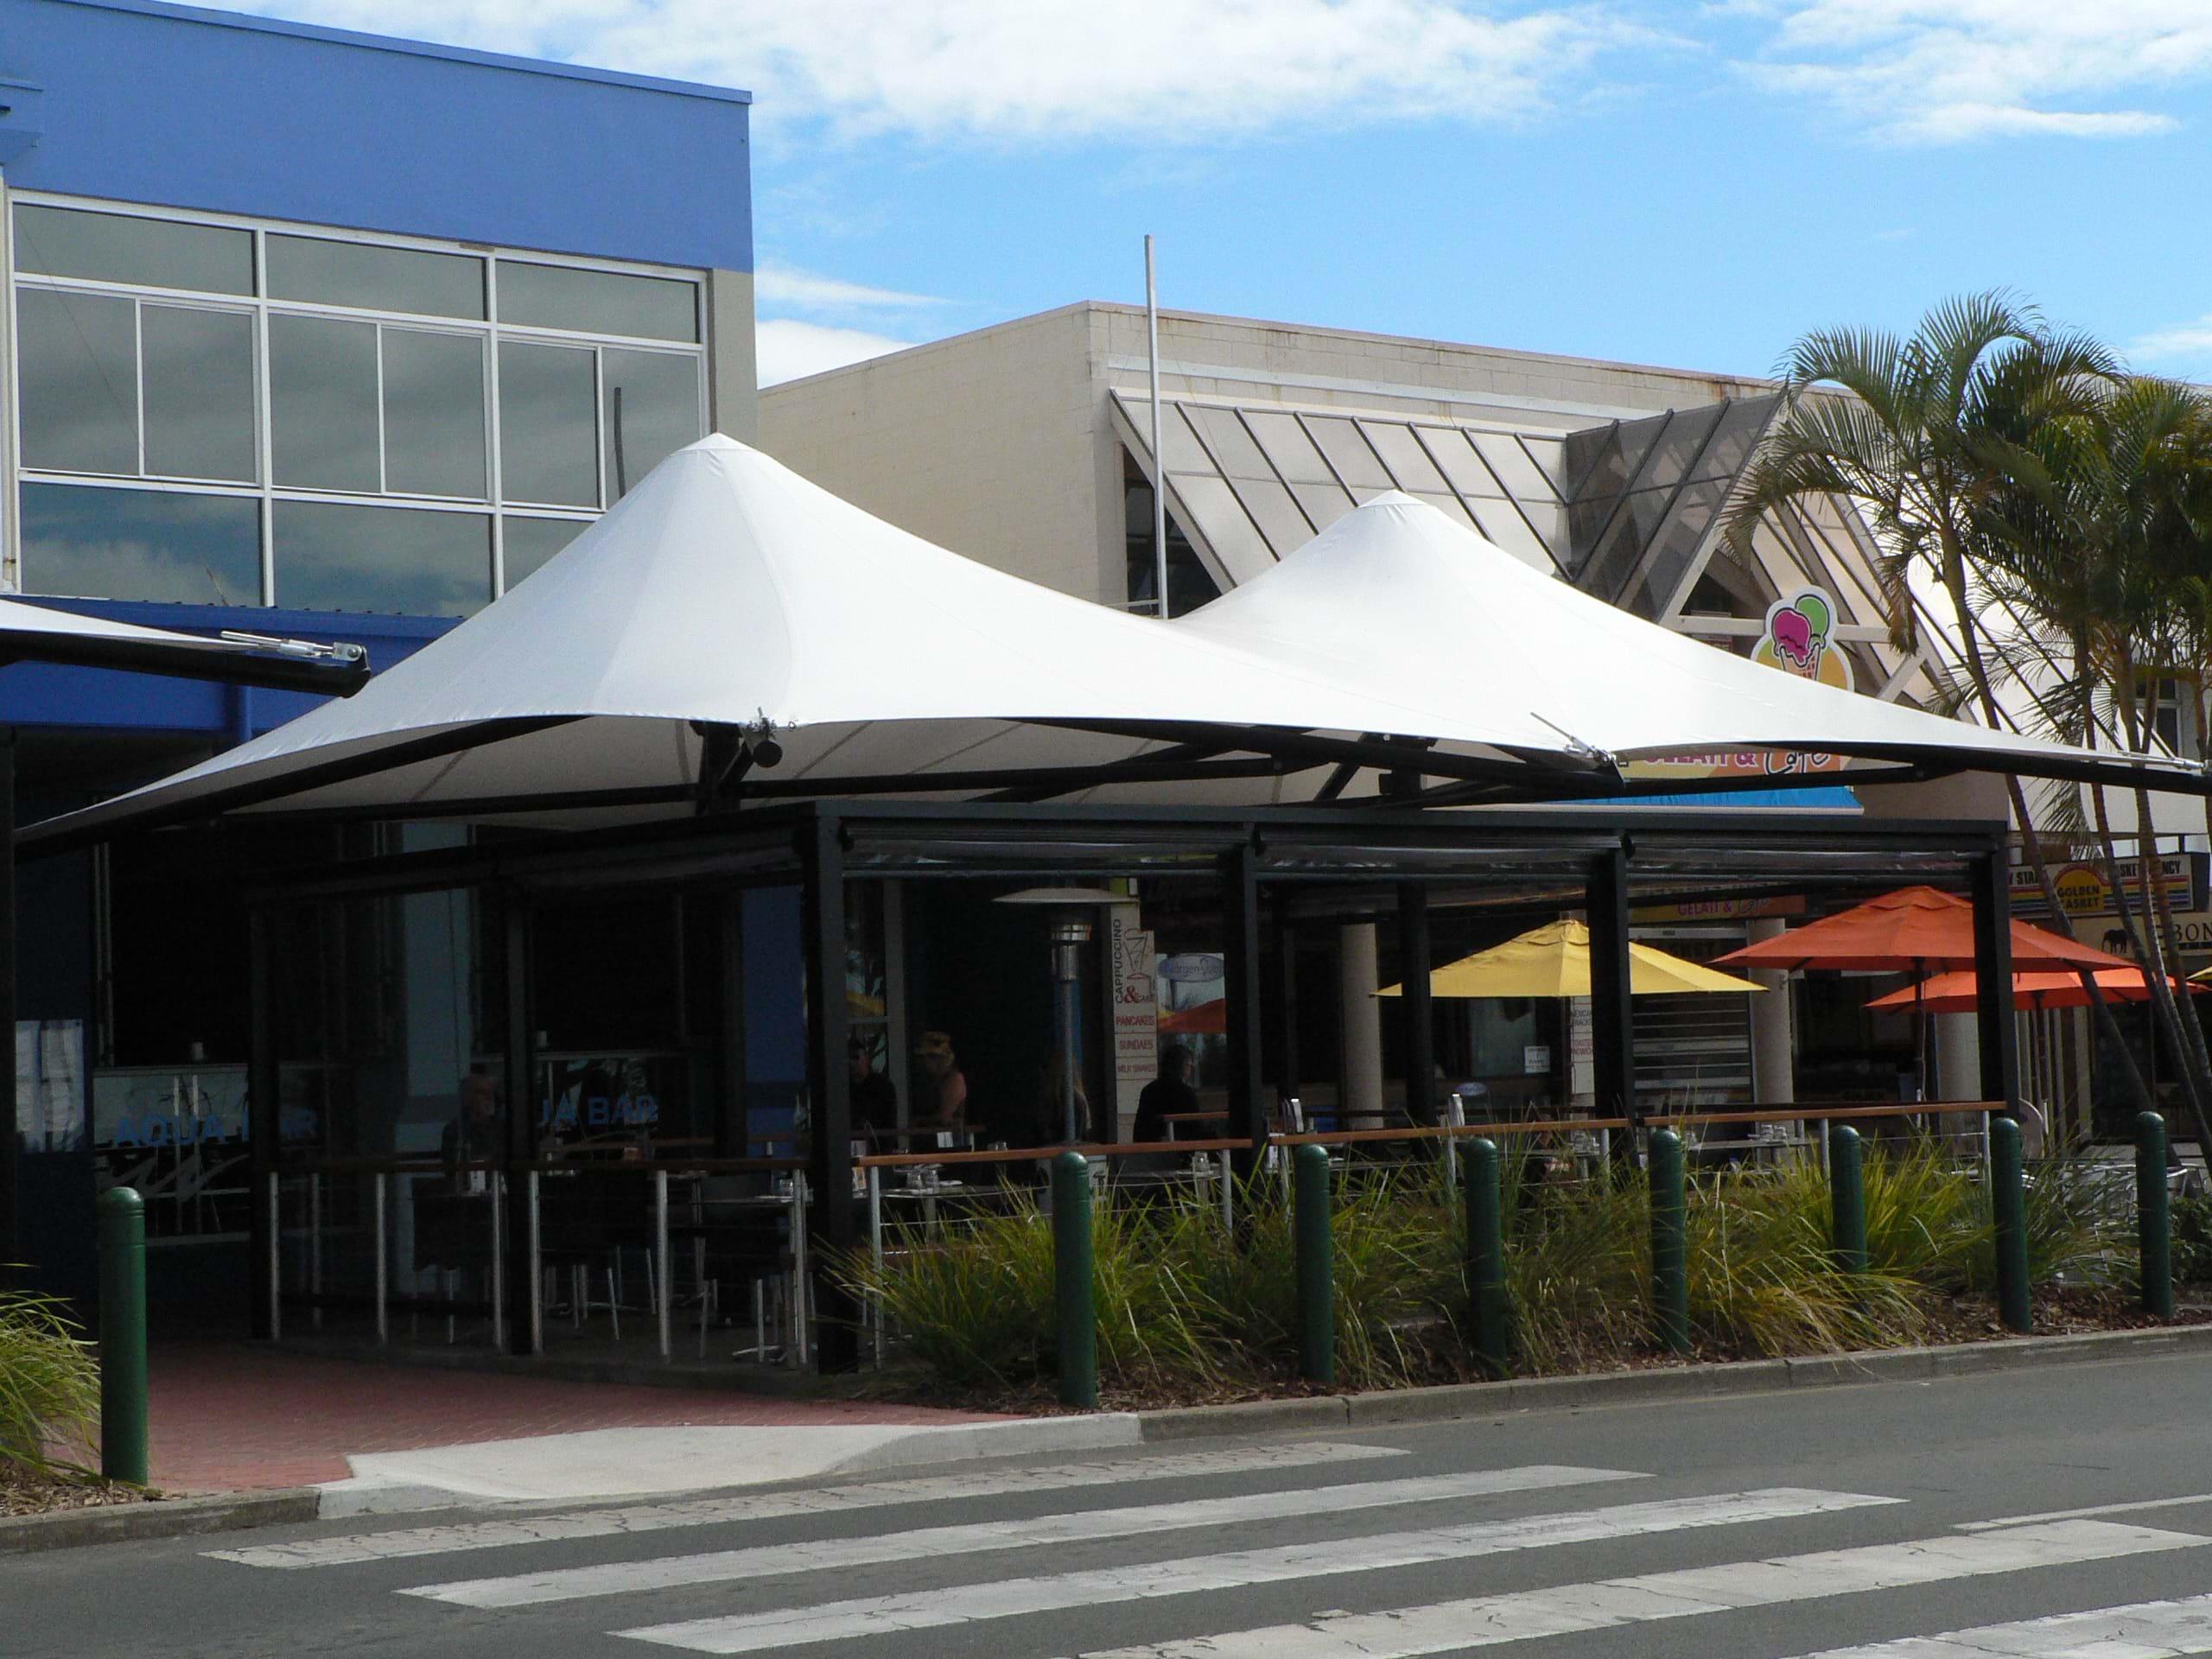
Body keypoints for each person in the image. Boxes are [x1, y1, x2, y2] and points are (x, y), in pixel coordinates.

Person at [442, 1070, 500, 1193]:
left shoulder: (502, 1126)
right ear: (467, 1097)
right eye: (481, 1092)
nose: (489, 1097)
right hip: (471, 1193)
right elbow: (454, 1163)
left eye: (490, 1092)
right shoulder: (455, 1130)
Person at [1134, 1046, 1198, 1146]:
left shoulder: (1148, 1091)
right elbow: (1196, 1128)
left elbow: (1139, 1132)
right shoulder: (1185, 1093)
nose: (1191, 1070)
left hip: (1151, 1154)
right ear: (1184, 1065)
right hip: (1181, 1153)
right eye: (1191, 1066)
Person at [912, 1031, 969, 1137]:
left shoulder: (954, 1079)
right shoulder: (934, 1081)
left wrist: (920, 1120)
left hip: (949, 1140)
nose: (923, 1063)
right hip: (932, 1139)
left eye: (925, 1058)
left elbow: (945, 1117)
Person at [849, 1035, 899, 1132]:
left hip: (878, 1140)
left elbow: (887, 1120)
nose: (852, 1062)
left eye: (856, 1057)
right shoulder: (846, 1089)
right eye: (849, 1058)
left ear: (865, 1057)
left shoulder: (882, 1086)